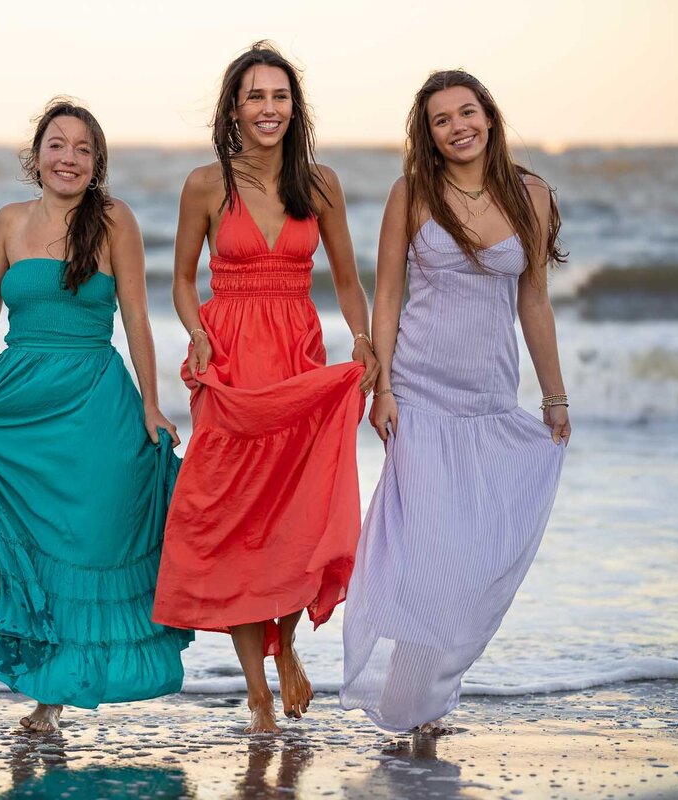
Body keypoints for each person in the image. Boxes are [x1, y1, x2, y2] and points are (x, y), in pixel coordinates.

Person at [0, 99, 193, 732]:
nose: (68, 157)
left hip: (94, 402)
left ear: (96, 162)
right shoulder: (7, 222)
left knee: (92, 538)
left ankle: (67, 688)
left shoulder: (114, 221)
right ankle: (50, 689)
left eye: (82, 148)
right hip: (21, 401)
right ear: (37, 156)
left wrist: (152, 404)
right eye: (57, 144)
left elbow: (136, 316)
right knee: (37, 544)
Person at [152, 42, 378, 733]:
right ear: (234, 107)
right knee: (233, 521)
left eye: (279, 96)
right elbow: (181, 281)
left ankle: (285, 655)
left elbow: (345, 280)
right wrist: (195, 333)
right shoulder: (205, 184)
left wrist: (363, 343)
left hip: (298, 361)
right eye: (255, 96)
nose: (268, 108)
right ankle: (256, 690)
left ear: (294, 107)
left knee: (292, 515)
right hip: (228, 366)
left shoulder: (322, 183)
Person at [339, 69, 569, 734]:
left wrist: (554, 396)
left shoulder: (531, 194)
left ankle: (423, 696)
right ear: (429, 134)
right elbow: (387, 294)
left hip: (491, 401)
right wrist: (381, 385)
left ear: (488, 117)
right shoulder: (411, 193)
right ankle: (413, 708)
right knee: (428, 555)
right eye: (442, 119)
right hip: (420, 397)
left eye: (467, 112)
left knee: (471, 557)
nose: (458, 126)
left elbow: (534, 300)